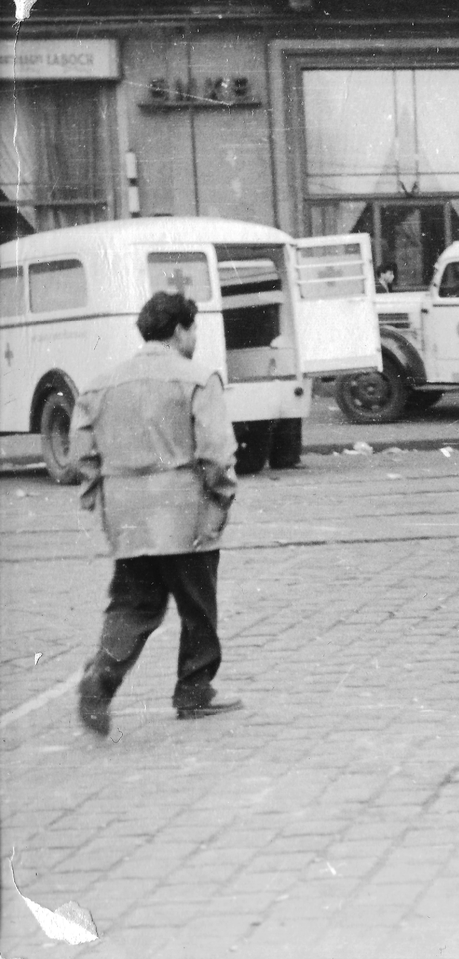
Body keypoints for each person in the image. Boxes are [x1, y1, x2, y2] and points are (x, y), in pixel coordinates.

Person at [71, 292, 242, 737]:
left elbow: (82, 453)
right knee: (197, 603)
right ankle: (194, 690)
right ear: (181, 329)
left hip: (126, 513)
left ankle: (102, 679)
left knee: (132, 602)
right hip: (184, 510)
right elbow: (217, 454)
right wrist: (219, 502)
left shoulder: (100, 384)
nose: (195, 338)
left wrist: (100, 496)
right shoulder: (198, 379)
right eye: (194, 329)